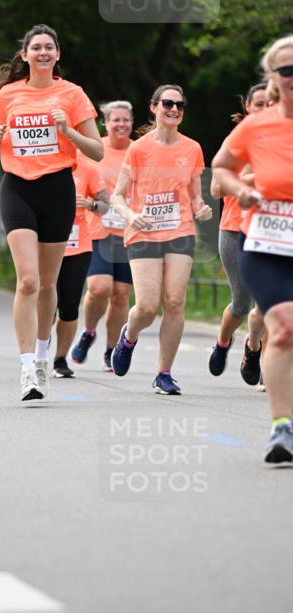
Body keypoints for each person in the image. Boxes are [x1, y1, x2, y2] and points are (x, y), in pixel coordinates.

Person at [0, 24, 103, 402]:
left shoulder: (72, 94)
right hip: (17, 188)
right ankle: (26, 368)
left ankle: (42, 356)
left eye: (48, 47)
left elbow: (97, 150)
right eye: (35, 47)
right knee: (27, 281)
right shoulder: (8, 94)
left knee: (48, 284)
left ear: (57, 55)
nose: (42, 52)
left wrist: (68, 131)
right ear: (24, 55)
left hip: (57, 189)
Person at [212, 35, 293, 463]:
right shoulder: (256, 126)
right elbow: (221, 167)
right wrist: (239, 189)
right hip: (266, 241)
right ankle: (282, 428)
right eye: (286, 70)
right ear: (273, 77)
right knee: (284, 325)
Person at [110, 84, 212, 394]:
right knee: (147, 307)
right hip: (144, 232)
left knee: (175, 302)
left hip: (180, 230)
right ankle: (128, 336)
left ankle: (163, 373)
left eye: (180, 105)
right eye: (167, 103)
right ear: (154, 108)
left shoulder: (192, 148)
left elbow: (195, 195)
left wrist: (201, 207)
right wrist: (131, 215)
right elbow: (117, 196)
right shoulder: (139, 149)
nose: (174, 109)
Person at [208, 83, 268, 380]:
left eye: (271, 103)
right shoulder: (236, 140)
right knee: (242, 303)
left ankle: (254, 349)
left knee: (269, 302)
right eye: (259, 104)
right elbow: (216, 189)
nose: (266, 108)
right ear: (247, 106)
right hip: (235, 229)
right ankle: (223, 342)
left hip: (271, 229)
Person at [72, 101, 134, 371]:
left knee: (120, 293)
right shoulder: (93, 150)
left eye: (125, 120)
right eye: (115, 120)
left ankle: (112, 349)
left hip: (128, 232)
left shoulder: (139, 151)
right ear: (105, 124)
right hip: (97, 228)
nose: (121, 124)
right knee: (99, 287)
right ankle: (88, 331)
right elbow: (78, 179)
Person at [53, 155, 109, 377]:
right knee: (46, 306)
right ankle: (37, 352)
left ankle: (60, 359)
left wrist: (90, 204)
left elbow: (105, 206)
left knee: (69, 307)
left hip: (78, 246)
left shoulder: (88, 168)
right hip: (46, 243)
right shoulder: (44, 162)